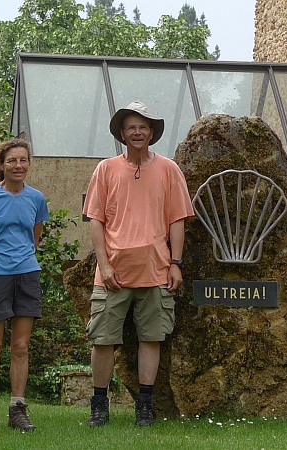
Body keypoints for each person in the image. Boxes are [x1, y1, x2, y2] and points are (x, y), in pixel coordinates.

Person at [82, 100, 194, 427]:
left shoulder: (169, 170)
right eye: (131, 127)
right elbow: (95, 220)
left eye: (143, 127)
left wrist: (176, 263)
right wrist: (104, 265)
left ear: (152, 132)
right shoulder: (105, 169)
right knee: (102, 339)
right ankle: (98, 405)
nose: (137, 132)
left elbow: (177, 220)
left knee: (152, 337)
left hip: (157, 270)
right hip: (113, 272)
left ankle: (145, 405)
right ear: (121, 132)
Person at [0, 138, 50, 431]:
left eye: (23, 160)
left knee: (21, 346)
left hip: (27, 275)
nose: (18, 166)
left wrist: (19, 261)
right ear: (1, 165)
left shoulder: (37, 199)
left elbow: (34, 239)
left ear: (29, 163)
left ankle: (18, 410)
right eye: (12, 161)